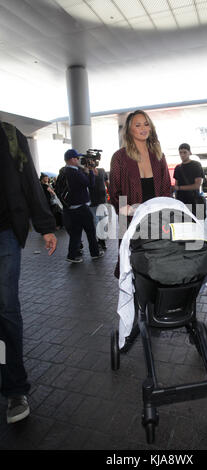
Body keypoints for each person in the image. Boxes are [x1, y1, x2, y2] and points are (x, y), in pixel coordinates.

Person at [0, 121, 57, 423]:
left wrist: (46, 227)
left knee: (7, 309)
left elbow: (30, 184)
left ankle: (14, 389)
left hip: (5, 233)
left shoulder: (10, 135)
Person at [110, 109, 171, 277]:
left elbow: (166, 189)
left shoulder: (158, 155)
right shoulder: (119, 157)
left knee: (158, 267)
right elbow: (114, 191)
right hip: (130, 221)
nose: (143, 128)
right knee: (133, 268)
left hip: (157, 220)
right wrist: (127, 210)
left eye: (146, 124)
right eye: (138, 125)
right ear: (129, 130)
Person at [63, 149, 103, 263]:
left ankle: (72, 255)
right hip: (81, 207)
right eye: (76, 158)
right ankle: (95, 253)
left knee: (76, 233)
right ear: (71, 159)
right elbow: (90, 183)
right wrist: (90, 171)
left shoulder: (66, 171)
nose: (78, 160)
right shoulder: (74, 172)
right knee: (90, 230)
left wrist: (86, 170)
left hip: (72, 208)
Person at [173, 143, 206, 218]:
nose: (182, 155)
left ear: (190, 152)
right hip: (182, 203)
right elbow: (176, 185)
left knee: (199, 227)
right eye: (180, 152)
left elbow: (197, 185)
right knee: (183, 227)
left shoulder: (196, 165)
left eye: (185, 152)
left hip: (196, 201)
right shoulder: (177, 168)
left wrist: (179, 188)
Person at [89, 160, 109, 251]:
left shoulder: (102, 171)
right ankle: (101, 241)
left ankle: (101, 240)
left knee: (102, 222)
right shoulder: (86, 173)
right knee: (97, 223)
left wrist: (112, 193)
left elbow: (107, 183)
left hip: (101, 201)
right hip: (93, 202)